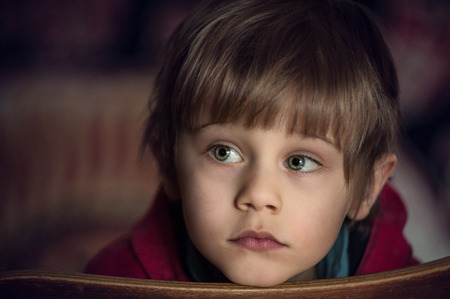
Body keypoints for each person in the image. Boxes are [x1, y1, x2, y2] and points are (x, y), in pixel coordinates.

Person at [85, 0, 419, 287]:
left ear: (366, 190)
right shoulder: (116, 284)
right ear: (170, 165)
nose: (258, 196)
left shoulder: (411, 287)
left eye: (300, 161)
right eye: (224, 153)